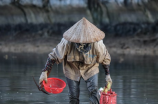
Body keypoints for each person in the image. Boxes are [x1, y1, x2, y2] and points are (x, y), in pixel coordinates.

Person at [39, 17, 112, 104]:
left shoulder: (98, 44)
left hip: (91, 67)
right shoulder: (67, 42)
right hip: (71, 68)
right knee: (73, 96)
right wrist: (45, 72)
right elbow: (53, 56)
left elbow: (105, 58)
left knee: (94, 92)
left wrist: (107, 75)